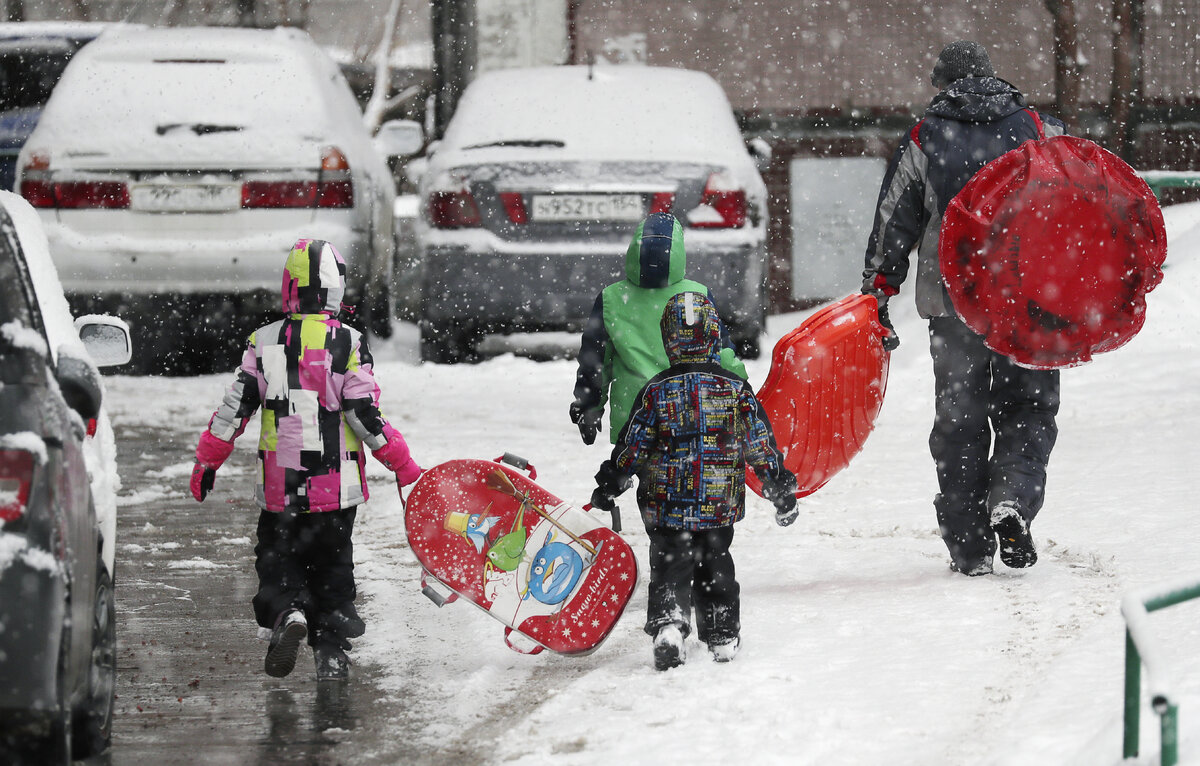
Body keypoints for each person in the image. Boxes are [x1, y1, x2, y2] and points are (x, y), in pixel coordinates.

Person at [861, 41, 1066, 576]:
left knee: (960, 419)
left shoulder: (925, 137)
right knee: (1029, 407)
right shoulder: (1040, 130)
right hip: (1028, 301)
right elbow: (1076, 200)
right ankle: (1013, 502)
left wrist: (878, 288)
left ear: (943, 83)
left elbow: (894, 218)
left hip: (955, 303)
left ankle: (969, 546)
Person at [189, 238, 422, 680]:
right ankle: (331, 646)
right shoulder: (349, 343)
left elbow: (234, 409)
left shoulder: (263, 342)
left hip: (281, 487)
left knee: (278, 558)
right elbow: (362, 413)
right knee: (333, 563)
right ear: (338, 291)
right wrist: (402, 463)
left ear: (288, 288)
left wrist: (208, 459)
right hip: (335, 488)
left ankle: (287, 612)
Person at [590, 291, 798, 671]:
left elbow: (632, 446)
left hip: (666, 505)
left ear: (668, 339)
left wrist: (611, 482)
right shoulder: (735, 390)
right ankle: (721, 636)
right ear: (714, 335)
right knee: (716, 566)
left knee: (670, 565)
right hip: (718, 505)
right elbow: (760, 446)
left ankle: (669, 625)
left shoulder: (656, 391)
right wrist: (779, 488)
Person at [571, 211, 747, 449]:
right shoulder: (697, 296)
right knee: (688, 477)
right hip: (693, 415)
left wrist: (589, 405)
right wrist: (743, 389)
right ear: (678, 252)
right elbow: (721, 353)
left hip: (635, 419)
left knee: (648, 481)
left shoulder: (612, 298)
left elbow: (596, 362)